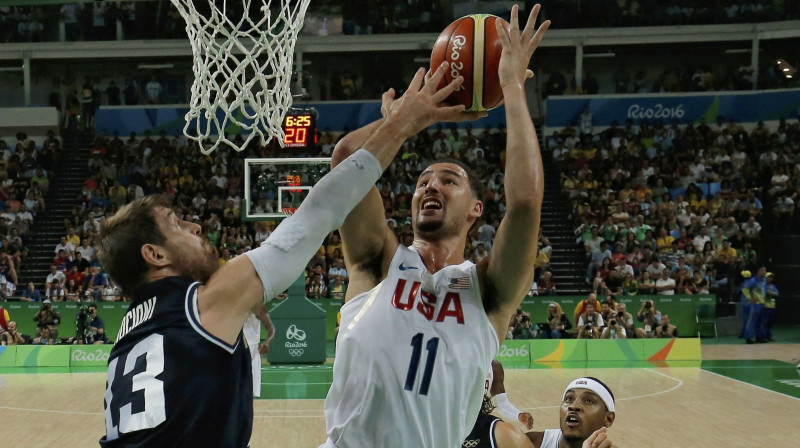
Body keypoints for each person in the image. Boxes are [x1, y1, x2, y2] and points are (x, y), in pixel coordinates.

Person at [97, 51, 477, 447]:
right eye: (176, 225)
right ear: (154, 256)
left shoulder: (131, 334)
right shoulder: (206, 303)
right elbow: (319, 211)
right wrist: (402, 123)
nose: (194, 225)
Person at [323, 6, 548, 447]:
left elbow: (524, 202)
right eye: (424, 180)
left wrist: (512, 87)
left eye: (449, 180)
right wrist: (408, 119)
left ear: (475, 209)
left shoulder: (489, 291)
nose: (432, 186)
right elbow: (346, 161)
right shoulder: (376, 265)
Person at [467, 377, 618, 448]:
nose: (574, 406)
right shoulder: (529, 442)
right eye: (568, 399)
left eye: (589, 401)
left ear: (609, 419)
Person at [243, 303, 275, 398]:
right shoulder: (227, 300)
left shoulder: (256, 303)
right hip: (230, 348)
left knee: (247, 395)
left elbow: (271, 328)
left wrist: (267, 342)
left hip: (251, 349)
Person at [740, 266, 767, 344]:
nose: (764, 272)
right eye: (762, 270)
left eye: (765, 270)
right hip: (755, 304)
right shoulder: (753, 280)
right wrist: (750, 298)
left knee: (761, 321)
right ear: (758, 271)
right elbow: (744, 289)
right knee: (751, 321)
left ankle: (759, 337)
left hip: (762, 303)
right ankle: (748, 338)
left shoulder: (764, 281)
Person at [760, 272, 779, 342]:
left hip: (772, 306)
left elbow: (777, 293)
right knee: (764, 322)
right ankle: (762, 336)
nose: (770, 278)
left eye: (771, 277)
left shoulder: (773, 286)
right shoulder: (762, 286)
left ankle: (768, 336)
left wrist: (771, 293)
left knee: (770, 323)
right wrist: (770, 293)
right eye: (768, 277)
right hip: (765, 306)